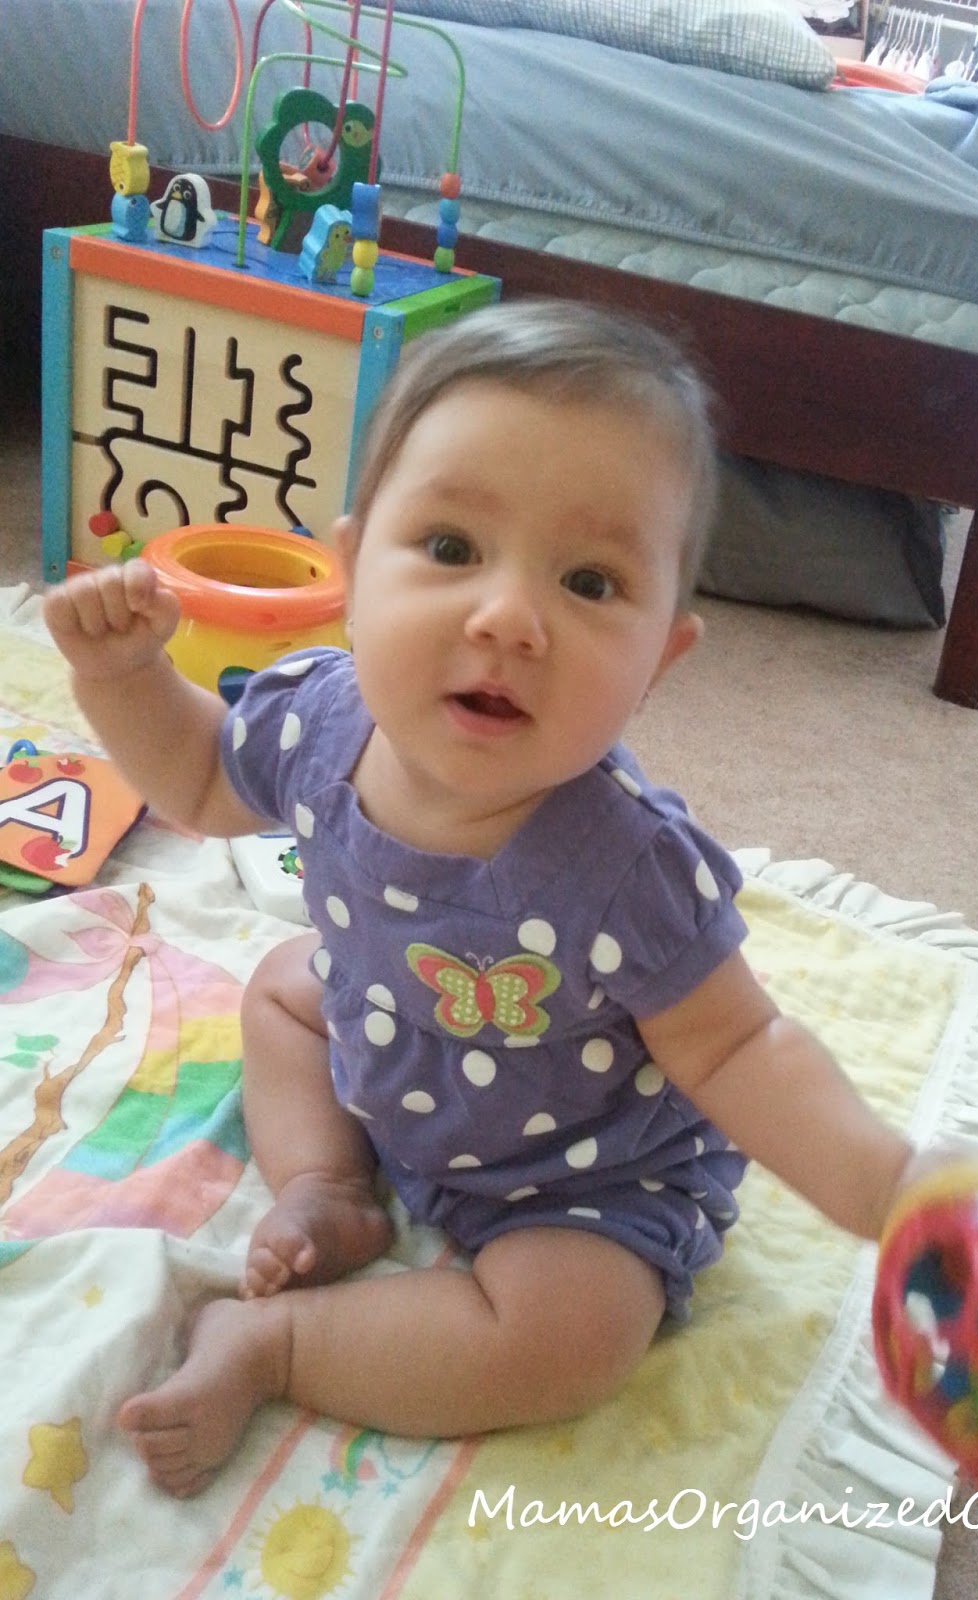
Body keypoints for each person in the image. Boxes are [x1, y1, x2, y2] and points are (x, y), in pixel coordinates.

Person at [45, 299, 924, 1499]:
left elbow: (738, 1047)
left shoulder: (628, 865)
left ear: (662, 656)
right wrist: (122, 675)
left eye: (589, 580)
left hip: (578, 1170)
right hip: (385, 1045)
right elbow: (197, 778)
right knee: (284, 992)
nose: (507, 617)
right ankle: (328, 1188)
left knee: (575, 1337)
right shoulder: (319, 720)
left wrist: (887, 1185)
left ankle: (279, 1341)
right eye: (452, 547)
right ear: (353, 572)